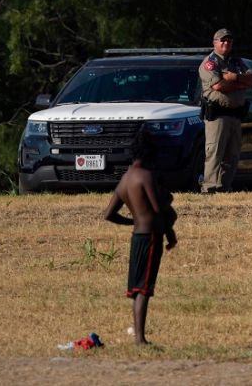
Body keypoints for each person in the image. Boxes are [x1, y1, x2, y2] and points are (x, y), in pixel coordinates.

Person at [103, 127, 177, 345]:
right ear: (150, 154)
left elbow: (109, 214)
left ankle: (138, 335)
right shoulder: (146, 176)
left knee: (137, 288)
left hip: (137, 237)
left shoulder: (126, 179)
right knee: (145, 287)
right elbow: (158, 207)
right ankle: (140, 339)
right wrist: (169, 199)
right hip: (152, 237)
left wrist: (132, 222)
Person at [198, 28, 252, 193]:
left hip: (235, 114)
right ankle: (209, 187)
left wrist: (235, 77)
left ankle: (224, 187)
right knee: (215, 152)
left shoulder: (237, 62)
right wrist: (240, 84)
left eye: (229, 40)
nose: (226, 43)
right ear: (214, 42)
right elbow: (218, 85)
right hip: (218, 115)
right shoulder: (210, 63)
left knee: (232, 154)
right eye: (222, 40)